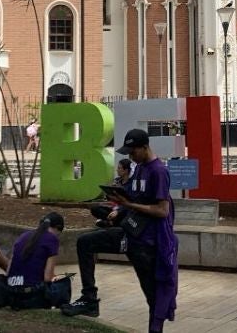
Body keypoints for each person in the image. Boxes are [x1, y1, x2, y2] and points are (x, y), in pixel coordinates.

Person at [63, 129, 178, 333]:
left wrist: (129, 205)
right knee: (85, 242)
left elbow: (162, 210)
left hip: (147, 242)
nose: (130, 157)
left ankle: (155, 329)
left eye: (133, 152)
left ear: (145, 147)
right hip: (129, 232)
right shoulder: (139, 168)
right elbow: (133, 199)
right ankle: (90, 299)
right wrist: (118, 206)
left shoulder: (158, 171)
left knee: (152, 293)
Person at [7, 212, 70, 309]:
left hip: (12, 293)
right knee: (65, 281)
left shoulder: (23, 236)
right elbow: (47, 278)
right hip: (32, 295)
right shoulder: (52, 239)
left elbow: (8, 271)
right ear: (58, 227)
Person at [91, 159, 132, 228]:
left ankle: (110, 223)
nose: (117, 170)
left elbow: (129, 203)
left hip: (124, 210)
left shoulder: (131, 185)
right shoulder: (117, 181)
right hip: (114, 208)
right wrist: (109, 191)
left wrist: (118, 211)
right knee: (95, 209)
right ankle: (111, 222)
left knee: (124, 214)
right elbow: (109, 198)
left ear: (126, 170)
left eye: (119, 168)